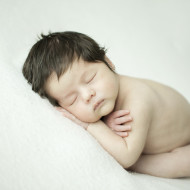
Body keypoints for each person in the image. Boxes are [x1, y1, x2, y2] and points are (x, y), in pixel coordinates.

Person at [22, 31, 190, 178]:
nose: (88, 95)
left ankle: (141, 165)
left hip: (184, 139)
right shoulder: (104, 100)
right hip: (154, 144)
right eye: (72, 99)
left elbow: (126, 156)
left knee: (184, 162)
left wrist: (91, 126)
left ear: (108, 62)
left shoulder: (138, 98)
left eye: (90, 79)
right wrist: (107, 125)